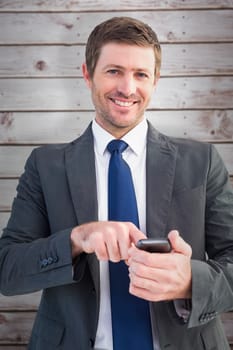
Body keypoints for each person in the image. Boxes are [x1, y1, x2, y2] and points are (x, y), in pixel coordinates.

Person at [0, 16, 233, 350]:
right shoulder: (45, 166)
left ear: (155, 81)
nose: (127, 88)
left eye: (140, 74)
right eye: (113, 71)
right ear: (87, 74)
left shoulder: (202, 161)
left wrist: (192, 281)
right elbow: (7, 270)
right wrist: (76, 239)